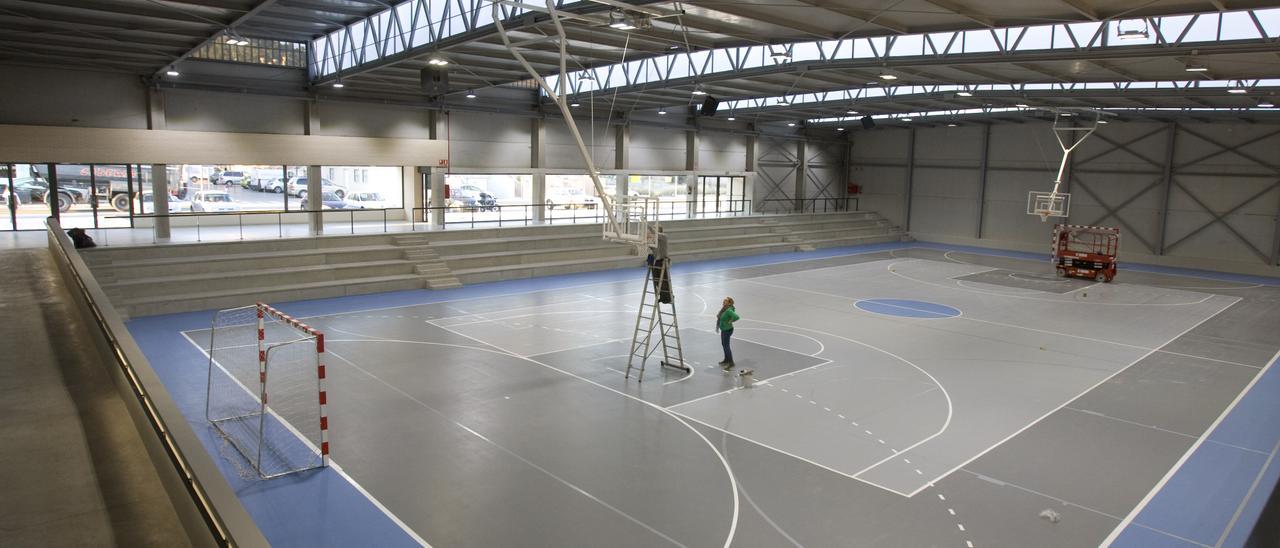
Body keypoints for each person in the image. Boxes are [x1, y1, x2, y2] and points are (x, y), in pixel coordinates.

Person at [716, 297, 739, 370]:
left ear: (729, 303)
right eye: (724, 300)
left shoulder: (728, 310)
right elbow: (720, 318)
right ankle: (726, 359)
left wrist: (731, 321)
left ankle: (731, 362)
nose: (724, 302)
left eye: (726, 301)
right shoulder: (724, 309)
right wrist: (718, 326)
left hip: (727, 330)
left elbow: (736, 317)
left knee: (726, 346)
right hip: (724, 329)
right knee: (724, 344)